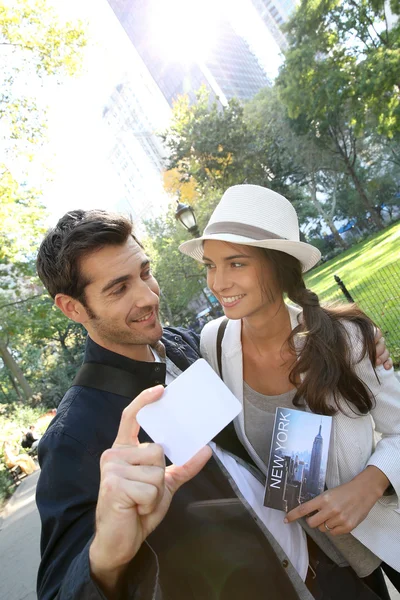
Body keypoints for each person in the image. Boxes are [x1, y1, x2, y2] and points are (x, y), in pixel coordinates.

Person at [35, 209, 391, 600]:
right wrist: (104, 558)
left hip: (334, 564)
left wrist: (347, 337)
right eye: (119, 289)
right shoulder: (72, 437)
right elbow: (59, 588)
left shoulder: (194, 346)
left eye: (144, 272)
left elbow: (270, 358)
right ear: (72, 308)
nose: (148, 296)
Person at [179, 183, 400, 599]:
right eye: (210, 264)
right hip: (313, 564)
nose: (218, 281)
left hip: (382, 533)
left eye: (236, 263)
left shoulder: (345, 340)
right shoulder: (214, 342)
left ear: (279, 266)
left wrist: (368, 485)